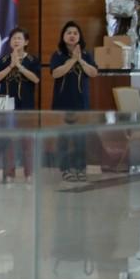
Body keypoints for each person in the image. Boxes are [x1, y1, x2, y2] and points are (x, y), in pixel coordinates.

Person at [49, 21, 98, 182]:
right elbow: (55, 73)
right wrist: (72, 60)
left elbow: (93, 73)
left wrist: (80, 60)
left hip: (81, 103)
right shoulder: (58, 55)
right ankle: (64, 169)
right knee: (63, 138)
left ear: (79, 37)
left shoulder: (87, 54)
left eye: (75, 33)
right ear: (63, 36)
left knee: (80, 138)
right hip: (62, 103)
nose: (72, 35)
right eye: (68, 33)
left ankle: (80, 168)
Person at [0, 26, 40, 180]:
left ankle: (29, 173)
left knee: (27, 141)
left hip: (26, 106)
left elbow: (36, 79)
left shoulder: (32, 60)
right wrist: (11, 66)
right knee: (9, 141)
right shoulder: (4, 60)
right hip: (8, 107)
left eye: (19, 38)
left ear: (26, 42)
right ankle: (9, 173)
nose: (16, 41)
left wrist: (19, 66)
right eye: (14, 38)